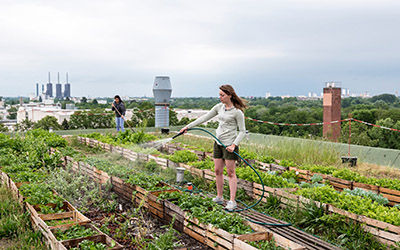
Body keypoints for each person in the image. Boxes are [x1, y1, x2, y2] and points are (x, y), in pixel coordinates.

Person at [179, 84, 246, 210]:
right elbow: (204, 118)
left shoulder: (237, 112)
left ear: (230, 95)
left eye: (222, 95)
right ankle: (220, 197)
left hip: (229, 145)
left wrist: (234, 145)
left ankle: (232, 201)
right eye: (219, 94)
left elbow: (242, 131)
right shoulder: (219, 107)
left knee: (231, 173)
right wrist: (188, 127)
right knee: (217, 171)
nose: (220, 97)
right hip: (218, 143)